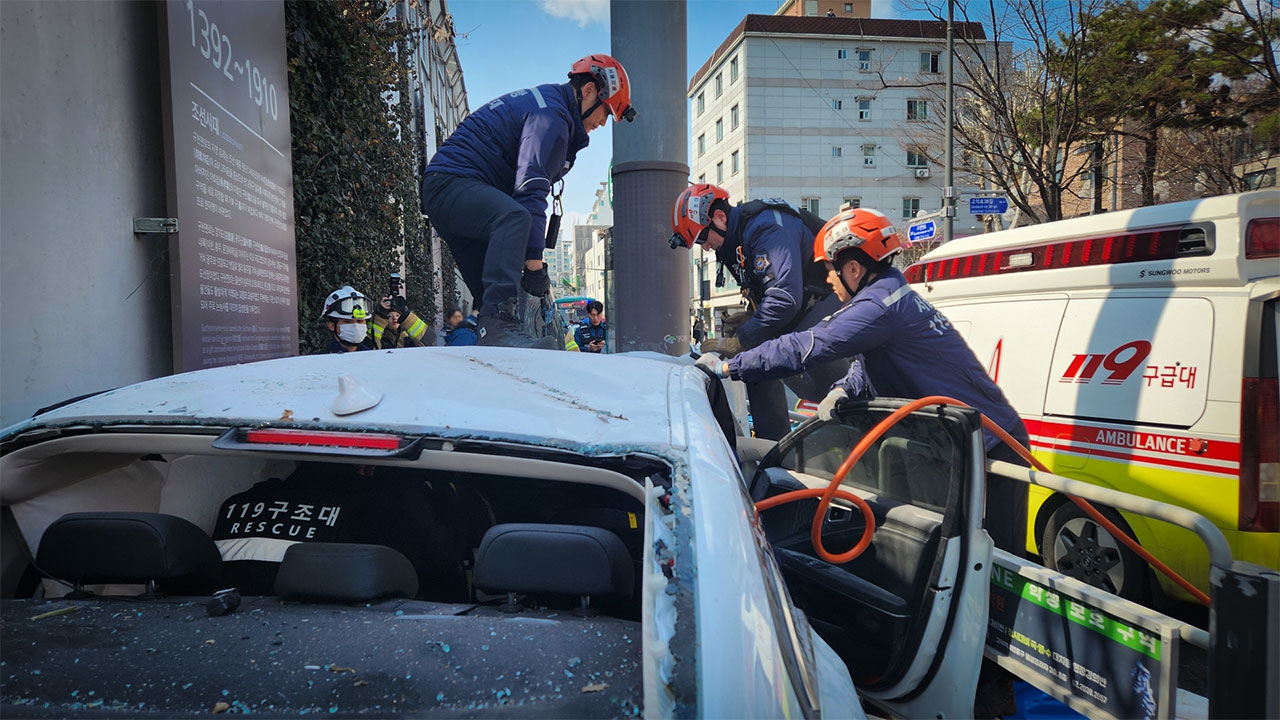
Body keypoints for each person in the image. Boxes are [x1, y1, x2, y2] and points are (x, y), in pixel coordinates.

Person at [698, 205, 1031, 556]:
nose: (827, 280)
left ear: (853, 269)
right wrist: (845, 387)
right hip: (962, 442)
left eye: (829, 270)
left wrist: (729, 368)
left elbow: (805, 347)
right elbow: (869, 360)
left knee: (993, 569)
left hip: (992, 448)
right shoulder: (891, 295)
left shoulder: (879, 306)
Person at [421, 54, 635, 349]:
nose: (602, 123)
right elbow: (531, 188)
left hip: (449, 192)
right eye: (606, 112)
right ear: (588, 92)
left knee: (492, 292)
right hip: (452, 184)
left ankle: (494, 336)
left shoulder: (547, 103)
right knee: (514, 218)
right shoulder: (551, 117)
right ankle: (497, 327)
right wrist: (535, 264)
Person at [670, 183, 848, 440]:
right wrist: (751, 321)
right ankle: (772, 447)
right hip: (808, 306)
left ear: (719, 218)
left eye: (701, 237)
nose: (704, 247)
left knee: (812, 370)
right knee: (756, 359)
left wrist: (742, 337)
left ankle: (852, 434)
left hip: (835, 299)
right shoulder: (739, 238)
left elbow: (784, 297)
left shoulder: (765, 228)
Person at [321, 286, 374, 353]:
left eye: (359, 321)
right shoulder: (319, 360)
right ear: (331, 326)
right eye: (347, 321)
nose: (355, 326)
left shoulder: (372, 357)